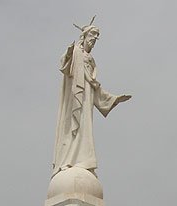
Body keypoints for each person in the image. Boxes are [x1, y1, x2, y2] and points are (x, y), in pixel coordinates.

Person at [53, 17, 131, 176]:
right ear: (85, 36)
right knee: (72, 129)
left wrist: (114, 99)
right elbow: (64, 64)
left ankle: (83, 161)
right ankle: (68, 160)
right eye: (92, 36)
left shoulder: (90, 60)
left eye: (96, 38)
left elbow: (95, 89)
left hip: (86, 99)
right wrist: (68, 53)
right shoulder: (75, 52)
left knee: (85, 128)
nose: (94, 40)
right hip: (74, 97)